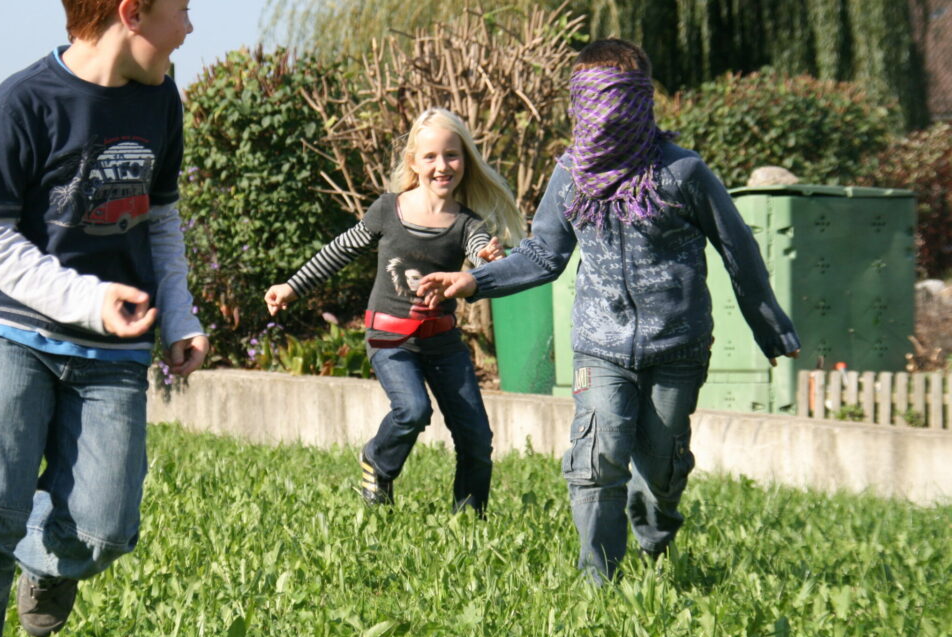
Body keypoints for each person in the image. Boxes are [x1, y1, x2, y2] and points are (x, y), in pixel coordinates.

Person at [418, 39, 801, 582]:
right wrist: (473, 280)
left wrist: (772, 330)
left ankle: (654, 540)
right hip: (600, 345)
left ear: (641, 102)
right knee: (595, 460)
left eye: (619, 102)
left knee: (663, 470)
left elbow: (738, 248)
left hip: (678, 345)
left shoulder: (682, 172)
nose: (606, 118)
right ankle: (600, 584)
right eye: (594, 104)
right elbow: (544, 254)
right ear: (580, 107)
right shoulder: (572, 174)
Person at [0, 1, 208, 637]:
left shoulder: (160, 99)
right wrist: (88, 299)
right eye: (183, 10)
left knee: (105, 529)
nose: (190, 29)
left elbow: (160, 220)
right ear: (132, 14)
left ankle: (45, 562)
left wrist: (180, 316)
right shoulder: (21, 104)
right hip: (16, 332)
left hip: (116, 355)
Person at [264, 107, 525, 516]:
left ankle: (471, 520)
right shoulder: (388, 210)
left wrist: (488, 256)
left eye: (452, 155)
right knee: (412, 410)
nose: (442, 166)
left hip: (442, 343)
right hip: (389, 339)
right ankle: (378, 463)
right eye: (431, 157)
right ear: (413, 163)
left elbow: (481, 253)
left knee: (476, 436)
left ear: (465, 160)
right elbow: (339, 251)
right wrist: (292, 286)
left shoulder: (467, 224)